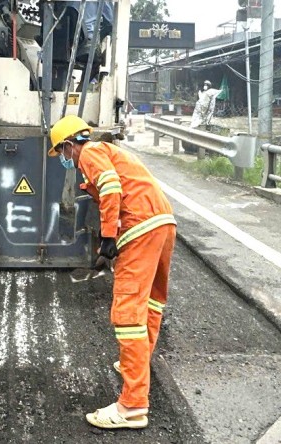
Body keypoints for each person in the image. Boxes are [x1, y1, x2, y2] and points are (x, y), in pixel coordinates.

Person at [48, 115, 177, 430]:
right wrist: (109, 245)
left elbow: (111, 188)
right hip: (162, 223)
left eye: (62, 153)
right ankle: (137, 363)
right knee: (152, 302)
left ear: (68, 144)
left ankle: (132, 407)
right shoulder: (107, 151)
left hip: (141, 227)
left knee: (126, 313)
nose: (64, 159)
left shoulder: (90, 152)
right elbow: (117, 190)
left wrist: (108, 238)